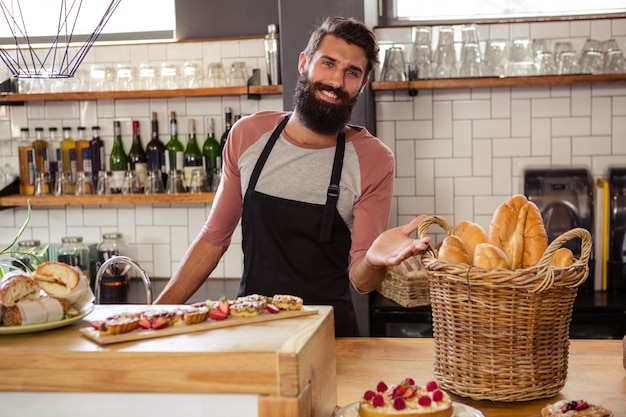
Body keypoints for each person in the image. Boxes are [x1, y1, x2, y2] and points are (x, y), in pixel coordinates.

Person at [155, 16, 431, 336]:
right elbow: (213, 239)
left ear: (363, 83)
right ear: (304, 62)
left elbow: (361, 280)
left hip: (330, 336)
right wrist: (155, 315)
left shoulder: (374, 159)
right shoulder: (249, 134)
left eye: (351, 72)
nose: (336, 81)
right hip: (254, 329)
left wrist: (374, 261)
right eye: (328, 63)